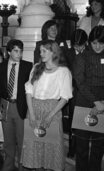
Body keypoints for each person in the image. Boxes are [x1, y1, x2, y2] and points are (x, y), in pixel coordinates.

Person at [21, 40, 73, 171]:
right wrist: (31, 113)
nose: (41, 53)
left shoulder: (63, 71)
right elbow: (28, 91)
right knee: (34, 147)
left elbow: (65, 97)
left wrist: (50, 115)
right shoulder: (36, 67)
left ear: (53, 52)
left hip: (52, 110)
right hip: (34, 108)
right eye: (40, 51)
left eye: (44, 51)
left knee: (51, 148)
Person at [0, 39, 32, 171]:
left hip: (21, 107)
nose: (19, 54)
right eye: (16, 51)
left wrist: (30, 109)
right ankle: (7, 167)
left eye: (21, 51)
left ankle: (23, 167)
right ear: (9, 52)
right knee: (8, 142)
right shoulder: (1, 66)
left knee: (22, 142)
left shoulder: (28, 66)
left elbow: (31, 90)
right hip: (6, 107)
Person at [73, 25, 104, 171]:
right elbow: (80, 82)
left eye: (101, 43)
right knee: (82, 146)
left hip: (103, 104)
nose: (98, 47)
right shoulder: (82, 57)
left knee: (99, 146)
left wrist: (102, 103)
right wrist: (96, 102)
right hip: (84, 103)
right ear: (89, 42)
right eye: (94, 43)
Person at [64, 29, 88, 158]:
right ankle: (72, 148)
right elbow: (65, 72)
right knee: (73, 122)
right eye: (75, 45)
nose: (78, 48)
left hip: (89, 93)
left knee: (87, 121)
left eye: (80, 45)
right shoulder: (68, 53)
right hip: (74, 92)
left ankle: (85, 148)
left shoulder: (91, 52)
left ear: (86, 43)